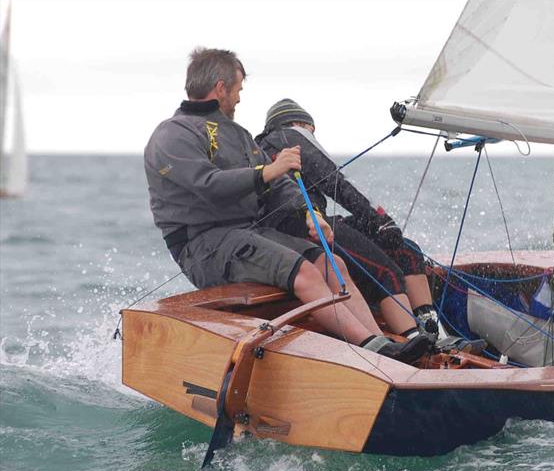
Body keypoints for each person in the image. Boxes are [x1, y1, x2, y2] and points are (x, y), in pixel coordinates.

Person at [143, 48, 432, 363]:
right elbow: (207, 185)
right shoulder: (172, 134)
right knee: (306, 274)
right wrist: (268, 171)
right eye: (238, 90)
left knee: (330, 262)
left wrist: (311, 214)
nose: (239, 98)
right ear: (221, 88)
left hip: (247, 234)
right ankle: (370, 348)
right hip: (204, 244)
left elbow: (279, 184)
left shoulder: (239, 135)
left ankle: (380, 343)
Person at [255, 100, 468, 345]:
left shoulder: (275, 141)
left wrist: (377, 222)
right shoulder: (287, 136)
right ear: (301, 124)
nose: (314, 136)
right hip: (300, 229)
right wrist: (378, 220)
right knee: (386, 271)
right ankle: (416, 342)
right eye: (311, 129)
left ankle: (434, 332)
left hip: (315, 223)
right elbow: (333, 182)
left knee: (407, 251)